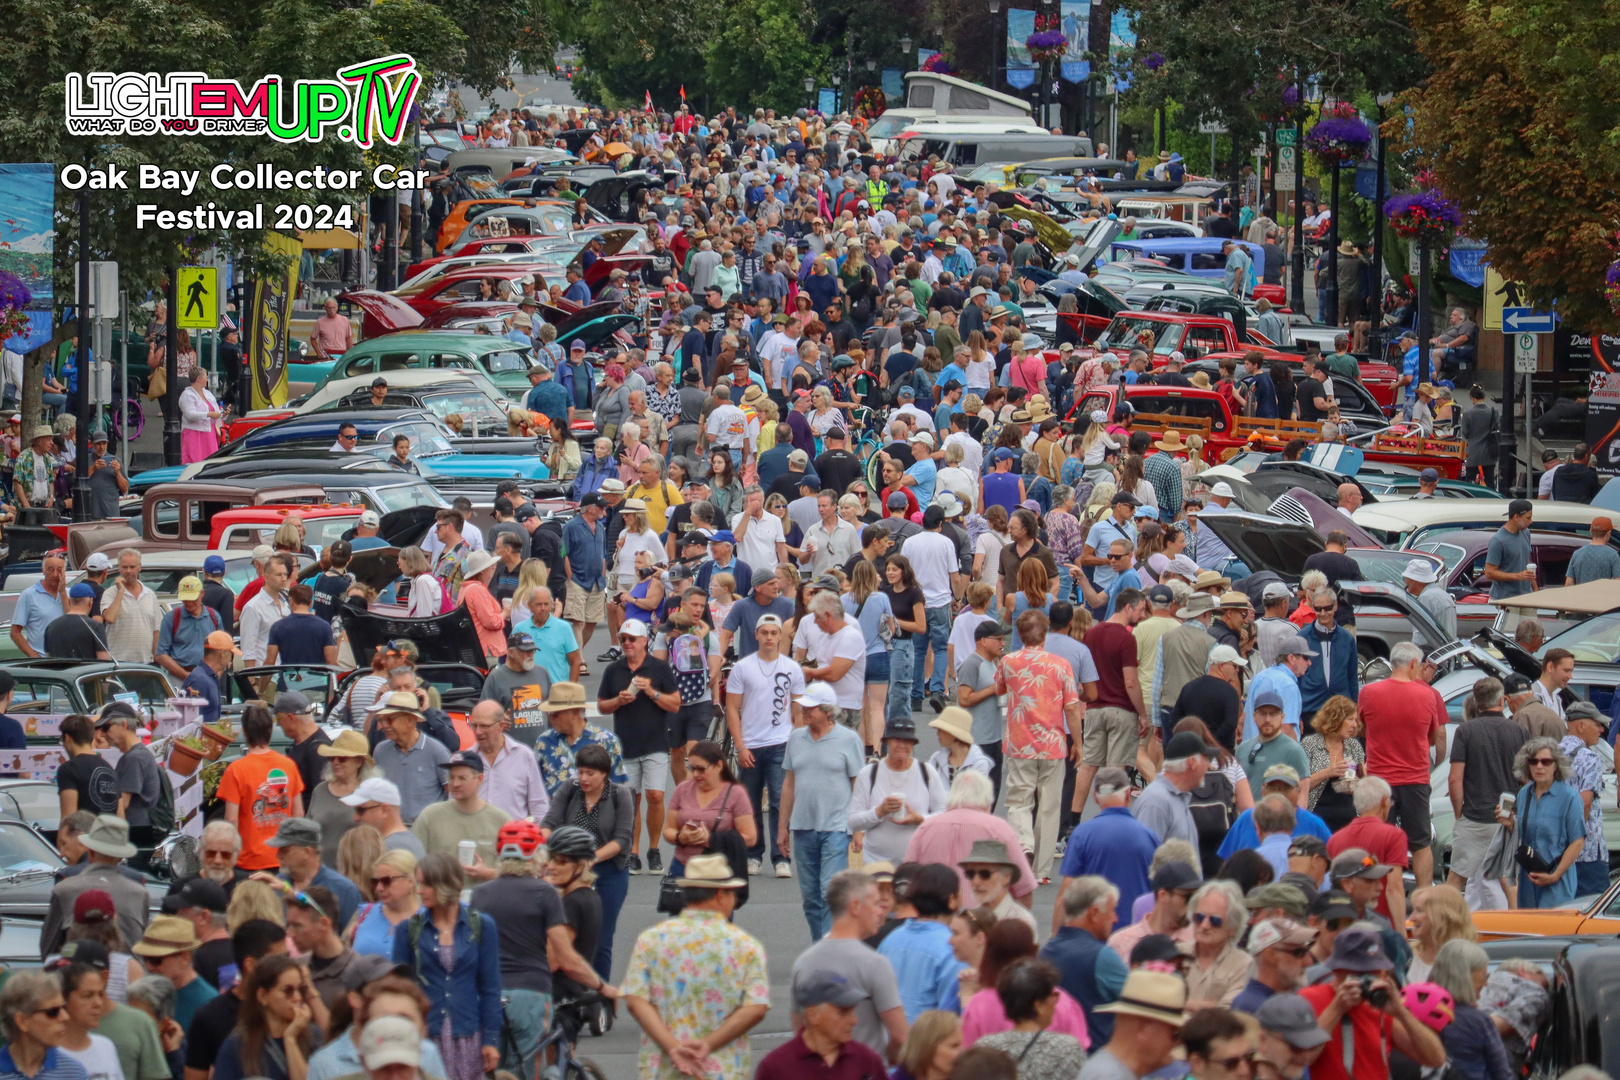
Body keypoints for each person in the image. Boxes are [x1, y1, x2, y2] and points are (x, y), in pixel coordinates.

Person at [469, 821, 609, 1078]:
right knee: (526, 1068)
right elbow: (561, 958)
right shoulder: (549, 894)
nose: (551, 866)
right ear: (537, 856)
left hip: (487, 994)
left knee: (488, 1068)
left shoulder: (479, 895)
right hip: (531, 993)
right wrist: (602, 986)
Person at [620, 853, 770, 1080]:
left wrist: (672, 1047)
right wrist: (707, 1045)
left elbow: (636, 1000)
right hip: (721, 1068)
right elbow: (756, 1007)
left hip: (663, 1067)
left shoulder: (652, 939)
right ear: (720, 894)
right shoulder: (745, 946)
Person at [389, 853, 500, 1080]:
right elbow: (398, 990)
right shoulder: (408, 929)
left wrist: (490, 1040)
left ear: (446, 885)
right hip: (424, 1036)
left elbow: (490, 988)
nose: (419, 891)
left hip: (468, 1034)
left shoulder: (481, 925)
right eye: (419, 883)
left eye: (426, 884)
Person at [998, 609, 1083, 882]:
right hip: (1053, 743)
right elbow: (1071, 708)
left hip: (1020, 741)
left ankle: (1023, 845)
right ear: (1045, 633)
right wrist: (1078, 742)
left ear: (1020, 634)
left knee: (1019, 800)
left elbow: (999, 688)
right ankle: (1043, 871)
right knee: (1049, 805)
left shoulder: (1009, 661)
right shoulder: (1060, 665)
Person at [788, 871, 908, 1063]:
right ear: (856, 907)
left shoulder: (803, 963)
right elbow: (900, 1036)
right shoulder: (875, 964)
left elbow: (799, 1029)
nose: (881, 911)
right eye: (876, 903)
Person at [1297, 927, 1447, 1080]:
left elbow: (1435, 1059)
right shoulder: (1308, 999)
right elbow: (1302, 1058)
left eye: (1375, 972)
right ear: (1336, 970)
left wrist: (1400, 1012)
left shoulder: (1378, 1007)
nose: (1368, 980)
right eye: (1360, 973)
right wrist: (1336, 1009)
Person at [779, 682, 864, 939]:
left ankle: (830, 949)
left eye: (811, 708)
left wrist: (858, 829)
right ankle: (820, 946)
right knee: (810, 898)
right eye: (804, 707)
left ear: (828, 711)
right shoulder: (795, 738)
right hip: (803, 827)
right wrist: (782, 827)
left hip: (837, 827)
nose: (805, 712)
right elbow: (789, 784)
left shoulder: (849, 740)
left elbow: (858, 785)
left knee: (830, 892)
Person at [1446, 677, 1527, 905]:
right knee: (1508, 879)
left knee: (1456, 878)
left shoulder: (1465, 731)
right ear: (1501, 700)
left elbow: (1455, 778)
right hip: (1507, 818)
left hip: (1474, 817)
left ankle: (1445, 926)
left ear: (1476, 702)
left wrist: (1459, 813)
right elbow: (1525, 779)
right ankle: (1515, 931)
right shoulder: (1519, 731)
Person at [1054, 769, 1157, 935]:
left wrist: (1056, 937)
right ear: (1128, 794)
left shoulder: (1082, 835)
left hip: (1094, 935)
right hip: (1138, 936)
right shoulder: (1149, 837)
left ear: (1095, 796)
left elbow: (1066, 894)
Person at [42, 817, 151, 958]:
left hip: (77, 975)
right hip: (129, 977)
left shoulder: (64, 890)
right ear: (120, 857)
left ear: (90, 852)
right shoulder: (139, 893)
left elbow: (48, 950)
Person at [756, 970, 886, 1080]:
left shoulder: (867, 1061)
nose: (854, 1020)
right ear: (813, 1014)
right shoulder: (775, 1067)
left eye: (853, 1011)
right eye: (843, 1012)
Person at [877, 863, 967, 1022]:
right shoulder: (954, 947)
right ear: (952, 900)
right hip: (929, 1043)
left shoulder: (890, 941)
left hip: (888, 1041)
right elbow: (950, 1016)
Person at [973, 959, 1090, 1080]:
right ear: (1039, 1005)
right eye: (1053, 996)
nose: (1055, 1003)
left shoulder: (985, 1047)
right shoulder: (1066, 1048)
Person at [1504, 736, 1586, 908]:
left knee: (1554, 932)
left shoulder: (1569, 797)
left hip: (1557, 882)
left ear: (1556, 765)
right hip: (1528, 881)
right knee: (1528, 933)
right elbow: (1524, 835)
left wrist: (1556, 875)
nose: (1539, 766)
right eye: (1534, 761)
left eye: (1546, 761)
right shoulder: (1524, 793)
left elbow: (1577, 841)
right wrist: (1510, 823)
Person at [209, 953, 317, 1080]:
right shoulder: (237, 1046)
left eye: (301, 989)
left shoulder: (314, 1036)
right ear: (263, 996)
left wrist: (290, 1039)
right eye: (288, 991)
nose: (297, 997)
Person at [662, 740, 756, 876]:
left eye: (701, 769)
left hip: (721, 869)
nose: (695, 774)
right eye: (692, 768)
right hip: (683, 867)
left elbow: (750, 837)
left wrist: (712, 840)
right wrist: (680, 837)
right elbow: (668, 830)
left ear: (718, 766)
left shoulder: (736, 793)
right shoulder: (682, 790)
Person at [1077, 970, 1188, 1080]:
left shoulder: (1108, 1070)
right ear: (1145, 1027)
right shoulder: (1112, 1076)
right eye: (1174, 1033)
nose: (1175, 1043)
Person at [1428, 940, 1512, 1080]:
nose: (1486, 983)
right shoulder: (1478, 1021)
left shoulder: (1416, 1012)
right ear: (1466, 976)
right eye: (1484, 976)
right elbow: (1502, 1074)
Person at [261, 818, 362, 929]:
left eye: (285, 850)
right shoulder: (275, 886)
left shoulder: (343, 889)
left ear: (306, 852)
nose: (278, 856)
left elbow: (352, 938)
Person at [90, 705, 163, 859]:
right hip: (139, 834)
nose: (103, 734)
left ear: (123, 724)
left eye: (106, 727)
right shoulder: (136, 755)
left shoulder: (134, 759)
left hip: (133, 837)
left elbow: (121, 804)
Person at [368, 692, 449, 825]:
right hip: (390, 829)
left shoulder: (436, 751)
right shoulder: (381, 751)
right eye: (382, 720)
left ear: (410, 720)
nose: (383, 726)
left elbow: (453, 793)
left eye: (389, 720)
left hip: (427, 830)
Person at [129, 917, 216, 1033]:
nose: (149, 966)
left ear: (185, 958)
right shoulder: (144, 995)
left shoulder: (208, 1002)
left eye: (156, 960)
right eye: (145, 959)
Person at [1132, 731, 1215, 849]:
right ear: (1192, 762)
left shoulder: (1178, 797)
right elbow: (1145, 857)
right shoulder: (1155, 801)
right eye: (1206, 759)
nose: (1210, 766)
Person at [0, 970, 83, 1080]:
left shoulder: (74, 1073)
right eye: (53, 1012)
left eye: (64, 1008)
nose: (65, 1017)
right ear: (22, 1021)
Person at [1231, 918, 1318, 1015]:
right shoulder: (1253, 1007)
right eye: (1299, 953)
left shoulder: (1278, 1001)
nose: (1308, 962)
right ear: (1270, 955)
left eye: (1307, 950)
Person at [100, 551, 160, 665]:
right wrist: (121, 591)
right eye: (124, 567)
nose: (128, 571)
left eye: (132, 567)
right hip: (118, 662)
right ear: (119, 568)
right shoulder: (110, 593)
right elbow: (110, 618)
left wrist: (157, 660)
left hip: (146, 662)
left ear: (139, 567)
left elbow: (156, 630)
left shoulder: (150, 595)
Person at [341, 778, 425, 860]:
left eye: (361, 810)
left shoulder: (386, 849)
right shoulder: (413, 842)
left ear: (384, 810)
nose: (355, 817)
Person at [1485, 499, 1536, 601]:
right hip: (1505, 599)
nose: (1531, 521)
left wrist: (1535, 590)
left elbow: (1527, 563)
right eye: (1528, 518)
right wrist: (1517, 576)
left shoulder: (1526, 533)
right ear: (1516, 517)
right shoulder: (1498, 540)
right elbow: (1489, 572)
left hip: (1527, 597)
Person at [45, 585, 108, 662]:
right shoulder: (96, 627)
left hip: (59, 674)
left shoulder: (51, 626)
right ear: (90, 602)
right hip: (86, 673)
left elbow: (47, 659)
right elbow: (103, 662)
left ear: (69, 601)